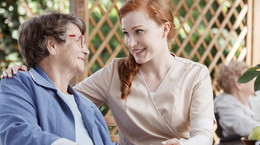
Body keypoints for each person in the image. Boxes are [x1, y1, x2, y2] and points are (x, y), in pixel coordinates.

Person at [2, 0, 215, 145]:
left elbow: (203, 134)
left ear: (165, 29)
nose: (130, 43)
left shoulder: (195, 74)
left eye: (139, 31)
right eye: (126, 33)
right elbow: (57, 96)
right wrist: (26, 73)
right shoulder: (115, 72)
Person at [0, 11, 117, 145]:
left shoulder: (88, 106)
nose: (86, 50)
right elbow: (17, 135)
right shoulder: (19, 83)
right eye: (78, 40)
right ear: (52, 45)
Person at [214, 60, 260, 144]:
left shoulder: (250, 98)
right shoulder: (225, 106)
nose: (253, 80)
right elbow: (248, 127)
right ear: (238, 84)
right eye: (249, 77)